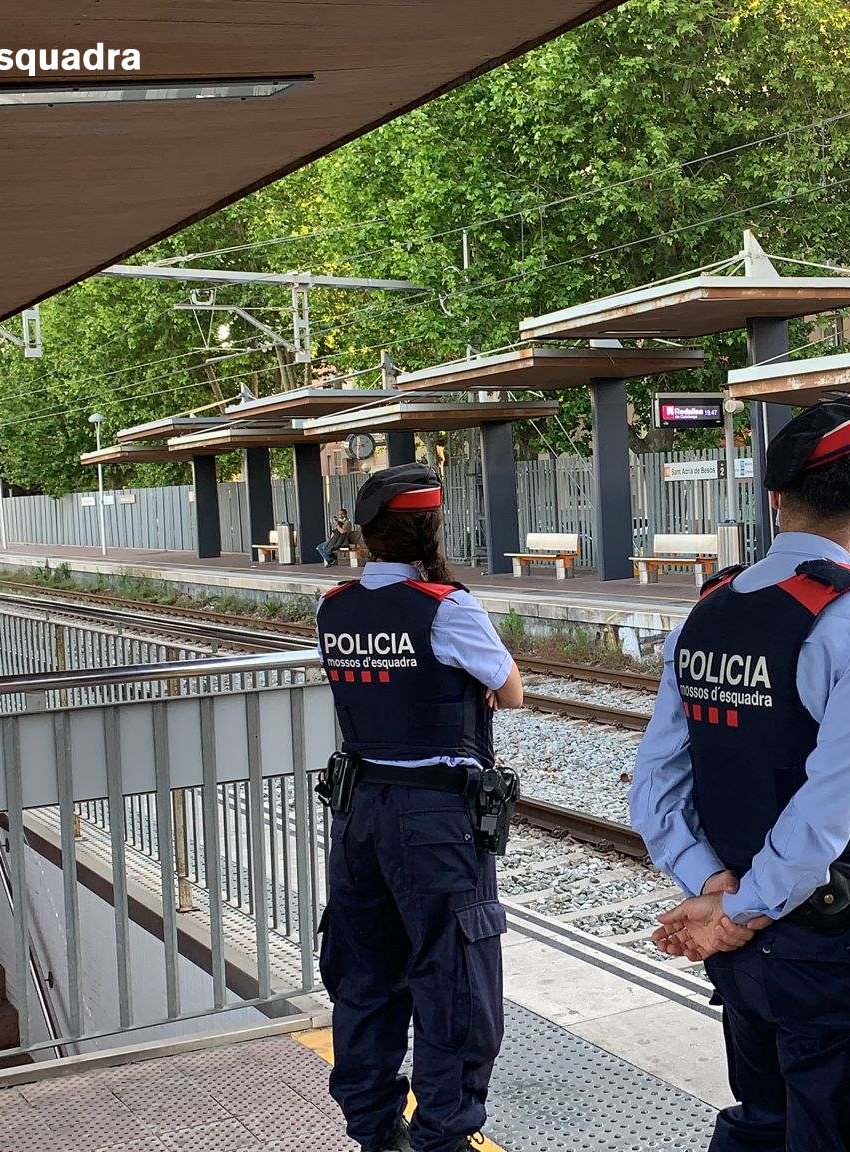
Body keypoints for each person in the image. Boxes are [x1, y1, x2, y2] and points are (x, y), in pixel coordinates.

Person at [628, 398, 850, 1152]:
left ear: (773, 500)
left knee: (763, 1124)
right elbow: (829, 805)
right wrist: (746, 908)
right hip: (825, 949)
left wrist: (712, 890)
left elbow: (654, 787)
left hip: (745, 956)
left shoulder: (709, 610)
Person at [315, 462, 526, 1152]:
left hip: (358, 815)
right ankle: (443, 1136)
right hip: (433, 823)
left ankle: (376, 1131)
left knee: (366, 976)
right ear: (432, 526)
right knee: (455, 980)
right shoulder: (446, 607)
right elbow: (512, 689)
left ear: (367, 537)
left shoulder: (334, 605)